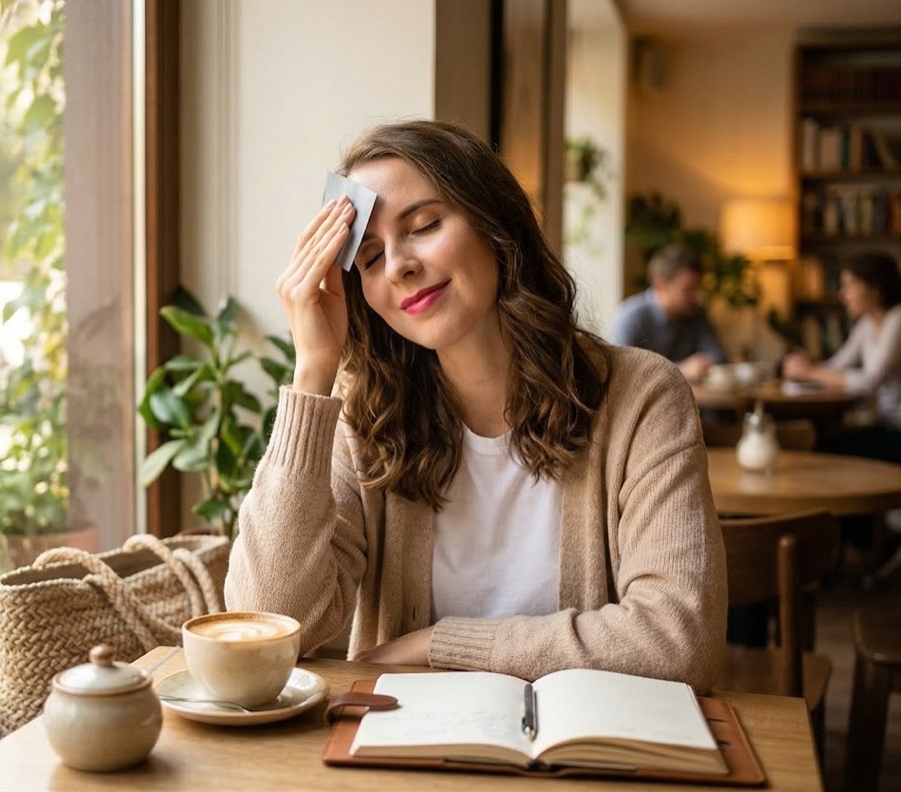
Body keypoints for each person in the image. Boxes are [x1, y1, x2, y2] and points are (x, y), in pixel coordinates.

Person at [225, 121, 726, 692]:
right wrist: (313, 373)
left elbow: (679, 643)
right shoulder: (365, 416)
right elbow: (271, 625)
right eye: (368, 259)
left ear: (496, 224)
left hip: (583, 763)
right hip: (404, 759)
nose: (398, 266)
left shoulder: (642, 396)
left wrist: (438, 646)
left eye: (426, 225)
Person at [783, 251, 901, 583]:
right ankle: (862, 544)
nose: (842, 294)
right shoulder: (868, 323)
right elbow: (836, 369)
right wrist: (807, 368)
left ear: (874, 288)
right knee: (827, 448)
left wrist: (810, 372)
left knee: (832, 456)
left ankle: (875, 544)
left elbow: (870, 380)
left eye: (849, 285)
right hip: (895, 429)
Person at [611, 244, 726, 383]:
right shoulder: (632, 316)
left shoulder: (696, 313)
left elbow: (718, 357)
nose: (698, 296)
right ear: (661, 286)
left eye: (699, 288)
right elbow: (620, 371)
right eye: (689, 289)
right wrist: (680, 370)